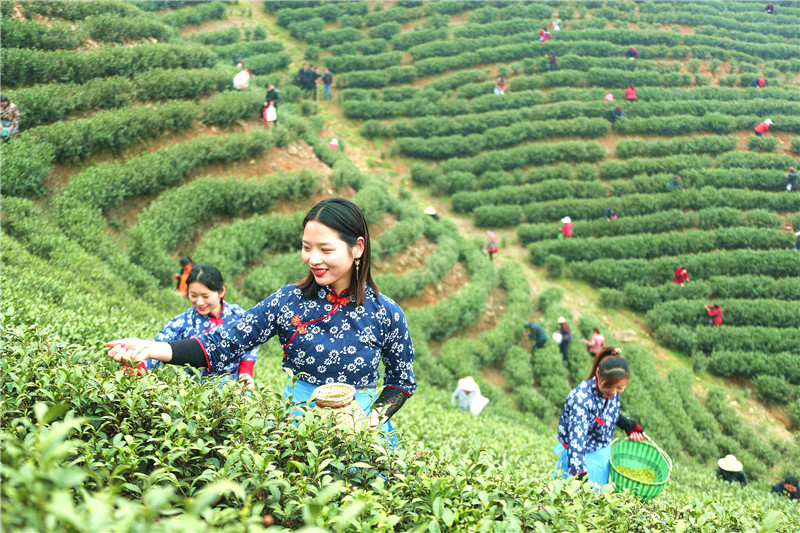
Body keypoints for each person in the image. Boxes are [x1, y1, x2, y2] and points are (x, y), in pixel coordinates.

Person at [106, 198, 417, 438]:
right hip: (299, 421)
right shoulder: (289, 300)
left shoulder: (385, 312)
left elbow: (401, 381)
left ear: (357, 248)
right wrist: (152, 348)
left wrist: (369, 421)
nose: (313, 259)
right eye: (306, 248)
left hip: (359, 424)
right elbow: (225, 342)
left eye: (326, 249)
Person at [136, 265, 259, 390]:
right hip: (198, 389)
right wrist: (136, 367)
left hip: (235, 385)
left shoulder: (238, 315)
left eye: (206, 296)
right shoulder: (184, 322)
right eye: (193, 295)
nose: (199, 302)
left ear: (221, 291)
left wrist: (245, 372)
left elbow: (251, 343)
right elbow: (158, 345)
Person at [554, 346, 647, 484]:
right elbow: (576, 442)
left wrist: (625, 423)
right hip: (580, 459)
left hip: (601, 455)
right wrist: (579, 476)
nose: (614, 392)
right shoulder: (581, 399)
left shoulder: (611, 391)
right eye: (609, 387)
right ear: (598, 373)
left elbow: (604, 412)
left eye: (620, 388)